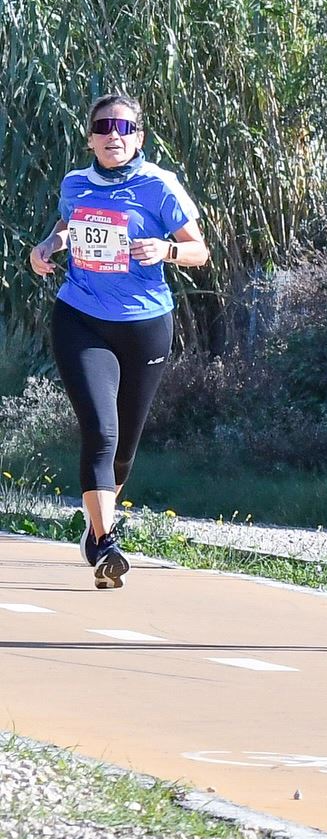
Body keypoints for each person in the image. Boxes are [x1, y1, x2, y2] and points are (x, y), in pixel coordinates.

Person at [27, 93, 210, 589]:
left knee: (125, 444)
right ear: (89, 138)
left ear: (139, 138)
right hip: (81, 317)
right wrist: (47, 246)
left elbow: (200, 251)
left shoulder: (158, 186)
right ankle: (107, 542)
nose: (114, 135)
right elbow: (68, 228)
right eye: (104, 127)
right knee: (101, 430)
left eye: (124, 128)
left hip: (146, 323)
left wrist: (167, 248)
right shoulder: (75, 184)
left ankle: (94, 528)